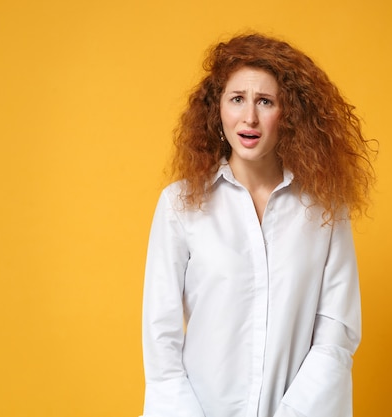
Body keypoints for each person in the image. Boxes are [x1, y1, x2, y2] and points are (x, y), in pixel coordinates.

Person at [141, 33, 375, 417]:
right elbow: (160, 336)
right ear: (217, 109)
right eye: (237, 99)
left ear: (290, 114)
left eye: (265, 102)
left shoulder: (324, 208)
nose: (249, 117)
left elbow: (336, 331)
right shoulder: (180, 204)